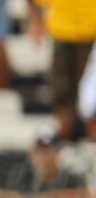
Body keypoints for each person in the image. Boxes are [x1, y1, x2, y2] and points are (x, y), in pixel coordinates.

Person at [27, 0, 96, 141]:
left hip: (90, 35)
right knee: (63, 98)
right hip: (63, 33)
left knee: (91, 103)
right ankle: (64, 145)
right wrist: (35, 21)